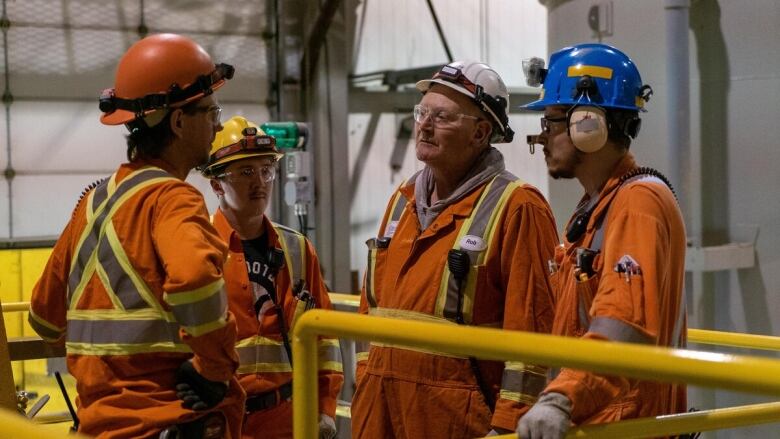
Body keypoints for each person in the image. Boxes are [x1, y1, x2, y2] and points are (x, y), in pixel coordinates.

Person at [27, 33, 246, 438]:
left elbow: (43, 317)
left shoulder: (92, 204)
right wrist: (213, 370)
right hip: (165, 421)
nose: (217, 126)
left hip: (98, 425)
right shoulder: (172, 198)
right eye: (211, 112)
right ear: (179, 121)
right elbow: (196, 280)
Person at [351, 60, 559, 438]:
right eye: (422, 112)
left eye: (442, 117)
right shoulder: (403, 199)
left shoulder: (518, 207)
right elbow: (371, 310)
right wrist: (365, 384)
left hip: (457, 421)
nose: (424, 126)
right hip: (379, 413)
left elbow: (532, 332)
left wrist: (510, 427)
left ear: (480, 133)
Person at [517, 43, 687, 439]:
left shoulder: (636, 202)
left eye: (551, 122)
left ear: (588, 124)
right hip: (596, 418)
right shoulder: (598, 206)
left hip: (621, 424)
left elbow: (624, 322)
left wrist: (561, 398)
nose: (542, 138)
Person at [200, 116, 343, 439]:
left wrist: (325, 408)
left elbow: (326, 337)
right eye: (246, 172)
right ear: (217, 184)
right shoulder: (197, 248)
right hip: (218, 422)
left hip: (286, 419)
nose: (260, 182)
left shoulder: (296, 248)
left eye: (267, 170)